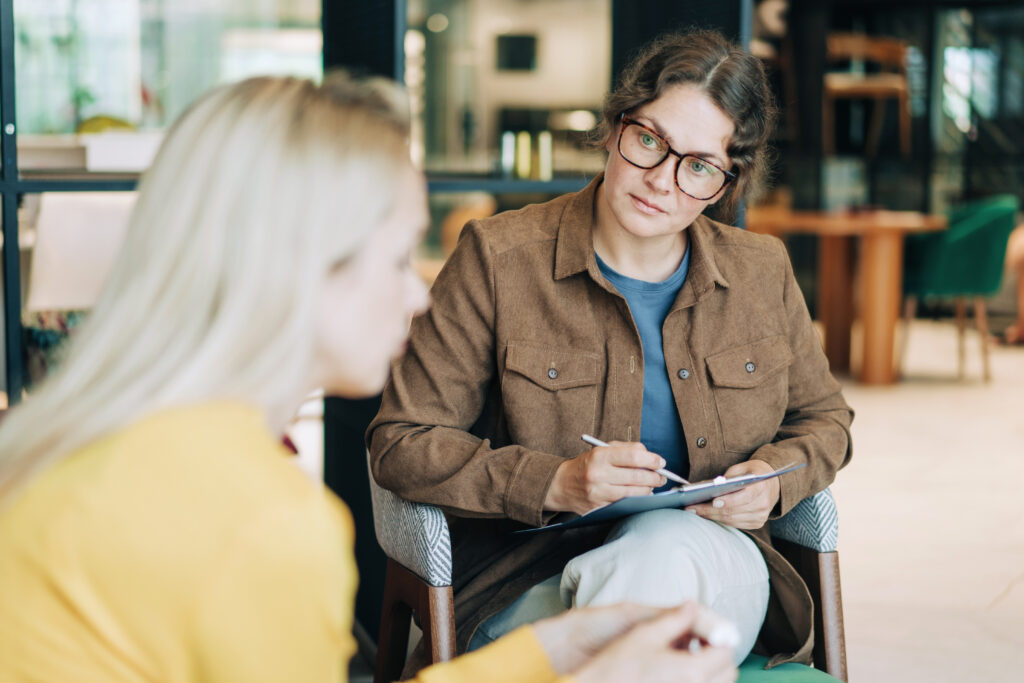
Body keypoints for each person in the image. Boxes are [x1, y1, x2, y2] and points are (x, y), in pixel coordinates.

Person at [0, 74, 738, 683]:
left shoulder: (90, 444)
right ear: (296, 268)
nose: (416, 294)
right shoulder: (266, 524)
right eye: (394, 258)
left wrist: (552, 652)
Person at [368, 28, 853, 672]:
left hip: (713, 566)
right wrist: (555, 482)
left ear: (726, 183)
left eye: (699, 166)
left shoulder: (761, 271)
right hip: (528, 582)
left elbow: (826, 420)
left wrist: (772, 480)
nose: (661, 181)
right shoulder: (498, 259)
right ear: (616, 125)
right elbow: (401, 441)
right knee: (650, 617)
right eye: (649, 140)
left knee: (661, 548)